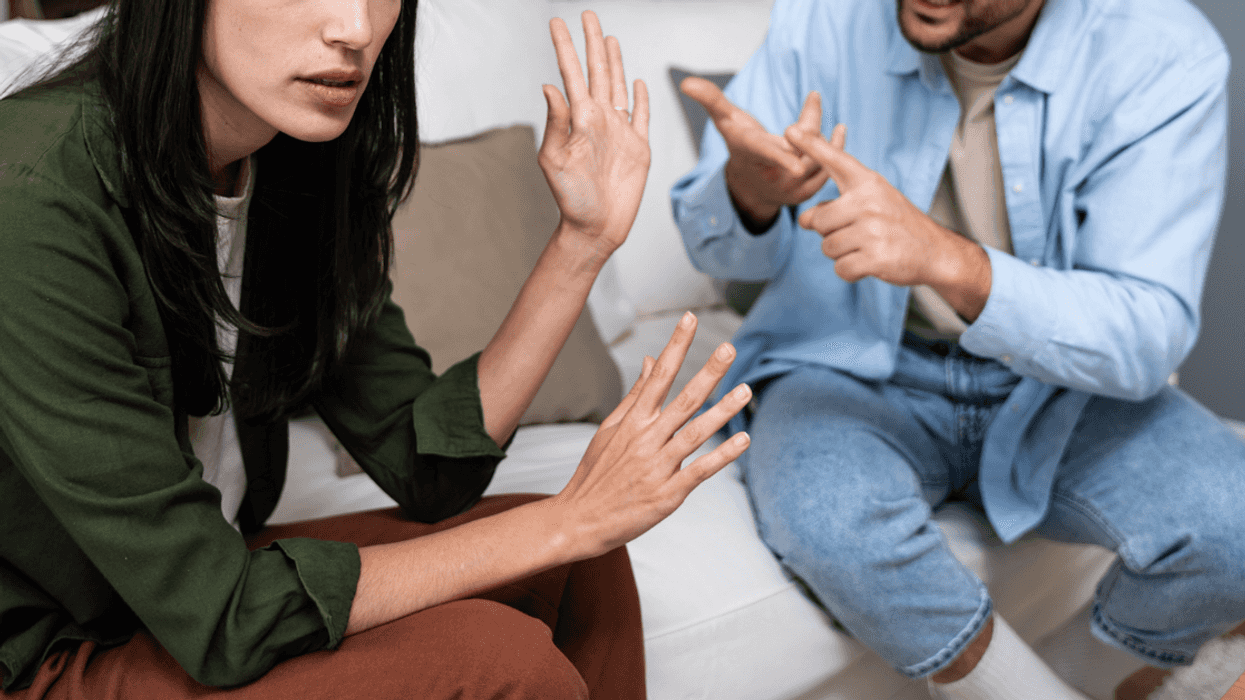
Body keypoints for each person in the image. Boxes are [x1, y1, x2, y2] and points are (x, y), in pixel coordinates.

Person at [0, 1, 756, 698]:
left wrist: (583, 243)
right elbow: (220, 613)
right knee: (501, 657)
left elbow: (424, 466)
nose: (356, 28)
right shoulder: (31, 193)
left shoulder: (294, 156)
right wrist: (568, 518)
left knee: (580, 565)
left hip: (201, 587)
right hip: (56, 646)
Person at [671, 0, 1245, 698]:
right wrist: (747, 194)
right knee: (830, 520)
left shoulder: (1163, 52)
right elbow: (715, 250)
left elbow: (1144, 335)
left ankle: (1073, 680)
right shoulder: (823, 16)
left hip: (1059, 385)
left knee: (1235, 526)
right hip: (847, 367)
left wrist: (949, 261)